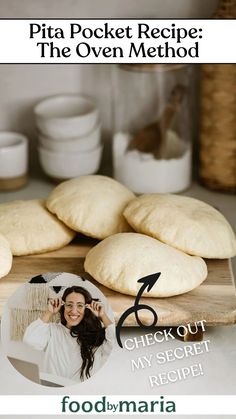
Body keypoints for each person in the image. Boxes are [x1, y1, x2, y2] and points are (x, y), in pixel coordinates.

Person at [23, 285, 115, 382]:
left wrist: (103, 316)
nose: (74, 311)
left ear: (87, 308)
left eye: (79, 305)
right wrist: (49, 312)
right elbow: (29, 339)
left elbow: (116, 343)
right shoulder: (52, 330)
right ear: (63, 307)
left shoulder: (97, 337)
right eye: (69, 305)